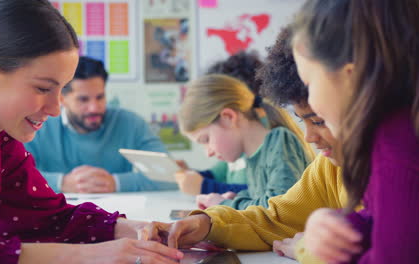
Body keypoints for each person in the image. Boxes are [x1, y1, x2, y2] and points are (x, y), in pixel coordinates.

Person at [0, 0, 183, 263]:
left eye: (61, 90)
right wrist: (88, 255)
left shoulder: (0, 141)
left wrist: (131, 229)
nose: (56, 109)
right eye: (43, 88)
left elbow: (44, 219)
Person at [144, 26, 350, 264]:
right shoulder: (328, 167)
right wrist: (207, 224)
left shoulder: (389, 162)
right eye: (305, 121)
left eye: (319, 121)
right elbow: (276, 217)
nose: (309, 137)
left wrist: (309, 250)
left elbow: (385, 247)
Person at [289, 0, 419, 263]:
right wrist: (348, 225)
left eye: (309, 82)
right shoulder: (401, 130)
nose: (310, 101)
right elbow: (401, 219)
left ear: (350, 76)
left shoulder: (400, 143)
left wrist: (314, 255)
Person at [25, 56, 177, 193]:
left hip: (119, 216)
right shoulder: (38, 127)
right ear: (62, 99)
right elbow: (12, 177)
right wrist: (62, 183)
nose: (94, 107)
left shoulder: (130, 123)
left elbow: (172, 177)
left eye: (100, 97)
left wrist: (115, 183)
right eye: (83, 100)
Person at [177, 74, 311, 210]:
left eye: (206, 140)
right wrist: (237, 198)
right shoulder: (251, 157)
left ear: (228, 117)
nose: (208, 153)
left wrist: (225, 205)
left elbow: (279, 209)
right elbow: (262, 202)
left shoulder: (279, 141)